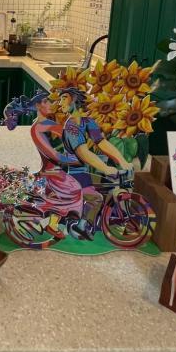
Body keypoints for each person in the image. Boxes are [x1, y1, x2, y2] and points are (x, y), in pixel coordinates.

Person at [3, 91, 83, 240]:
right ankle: (49, 224)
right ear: (38, 105)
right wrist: (73, 159)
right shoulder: (37, 128)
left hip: (57, 169)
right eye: (47, 101)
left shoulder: (49, 123)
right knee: (74, 189)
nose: (51, 104)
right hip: (50, 171)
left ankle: (53, 223)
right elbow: (52, 154)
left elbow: (67, 135)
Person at [58, 87, 132, 240]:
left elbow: (102, 142)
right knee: (96, 198)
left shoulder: (87, 122)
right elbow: (83, 153)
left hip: (83, 172)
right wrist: (105, 168)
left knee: (110, 184)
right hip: (73, 173)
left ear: (74, 101)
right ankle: (81, 226)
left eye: (64, 98)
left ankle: (104, 220)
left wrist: (123, 161)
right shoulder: (70, 127)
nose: (60, 103)